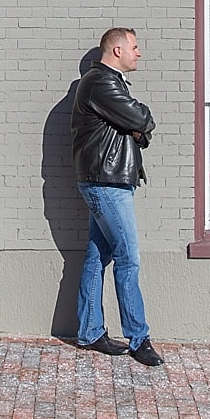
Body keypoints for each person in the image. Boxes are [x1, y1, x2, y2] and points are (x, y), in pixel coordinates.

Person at [70, 27, 164, 367]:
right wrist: (138, 123)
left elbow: (138, 129)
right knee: (129, 258)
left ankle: (89, 331)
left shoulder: (110, 84)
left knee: (99, 256)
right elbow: (141, 118)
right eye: (135, 47)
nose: (139, 53)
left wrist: (137, 127)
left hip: (107, 180)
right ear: (117, 50)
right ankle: (139, 338)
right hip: (105, 183)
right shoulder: (102, 82)